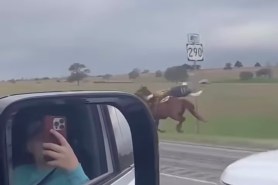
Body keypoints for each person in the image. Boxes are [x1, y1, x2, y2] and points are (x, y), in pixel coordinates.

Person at [12, 118, 90, 185]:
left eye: (51, 136)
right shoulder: (18, 173)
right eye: (38, 134)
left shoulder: (72, 176)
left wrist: (74, 169)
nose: (47, 141)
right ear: (28, 146)